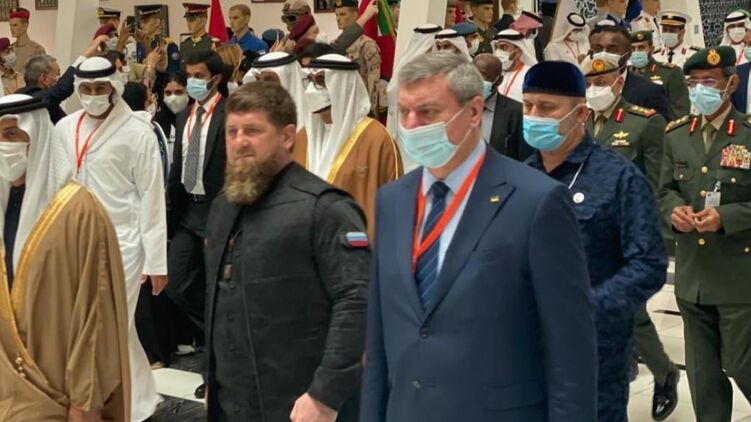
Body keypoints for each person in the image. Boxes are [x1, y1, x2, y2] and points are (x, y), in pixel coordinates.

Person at [361, 52, 597, 422]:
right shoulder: (392, 200)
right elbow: (379, 337)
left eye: (427, 112)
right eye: (404, 112)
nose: (411, 125)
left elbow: (570, 347)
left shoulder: (536, 201)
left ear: (473, 112)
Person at [203, 80, 368, 422]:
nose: (239, 141)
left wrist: (325, 394)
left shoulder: (325, 208)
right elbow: (217, 303)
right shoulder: (223, 207)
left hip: (302, 404)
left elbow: (357, 302)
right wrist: (213, 381)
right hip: (235, 397)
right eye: (232, 131)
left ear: (287, 136)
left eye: (253, 131)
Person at [524, 60, 667, 422]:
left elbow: (649, 264)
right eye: (528, 106)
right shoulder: (520, 178)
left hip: (594, 351)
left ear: (580, 114)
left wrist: (588, 307)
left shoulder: (619, 178)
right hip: (526, 347)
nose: (534, 116)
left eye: (547, 108)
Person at [0, 93, 131, 422]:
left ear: (37, 138)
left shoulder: (79, 212)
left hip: (56, 390)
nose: (3, 145)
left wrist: (85, 402)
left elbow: (95, 314)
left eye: (12, 134)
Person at [51, 56, 167, 422]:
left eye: (100, 88)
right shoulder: (64, 128)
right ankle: (140, 397)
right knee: (106, 326)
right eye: (86, 89)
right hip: (75, 242)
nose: (93, 95)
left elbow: (151, 197)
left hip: (124, 243)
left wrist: (156, 261)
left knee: (112, 323)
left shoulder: (137, 132)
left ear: (114, 88)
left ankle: (118, 402)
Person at [659, 46, 751, 422]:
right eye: (693, 82)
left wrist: (726, 216)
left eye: (709, 82)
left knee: (741, 362)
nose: (699, 89)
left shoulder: (747, 134)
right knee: (702, 372)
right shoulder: (677, 134)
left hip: (738, 273)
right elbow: (665, 190)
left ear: (732, 83)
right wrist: (673, 211)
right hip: (693, 272)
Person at [166, 51, 227, 400]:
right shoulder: (184, 116)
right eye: (189, 75)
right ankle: (218, 329)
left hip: (217, 211)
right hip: (188, 211)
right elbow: (178, 166)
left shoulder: (229, 113)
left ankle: (214, 374)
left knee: (217, 292)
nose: (192, 82)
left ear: (215, 79)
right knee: (177, 285)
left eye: (199, 76)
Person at [293, 54, 401, 236]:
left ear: (344, 87)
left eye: (321, 81)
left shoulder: (377, 139)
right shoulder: (302, 138)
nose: (312, 90)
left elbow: (396, 206)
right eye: (310, 81)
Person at [583, 54, 665, 189]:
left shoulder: (646, 122)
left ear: (619, 83)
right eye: (587, 84)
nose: (592, 90)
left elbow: (656, 183)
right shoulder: (579, 121)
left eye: (600, 83)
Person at [589, 23, 674, 121]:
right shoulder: (580, 89)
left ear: (628, 54)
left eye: (612, 50)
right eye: (598, 49)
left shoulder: (649, 92)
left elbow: (663, 128)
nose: (603, 54)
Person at [18, 36, 107, 124]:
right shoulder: (33, 99)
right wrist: (87, 54)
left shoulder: (44, 102)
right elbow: (62, 89)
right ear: (44, 78)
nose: (59, 79)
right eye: (57, 74)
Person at [473, 53, 530, 161]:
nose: (476, 80)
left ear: (499, 81)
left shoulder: (516, 112)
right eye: (473, 74)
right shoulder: (457, 106)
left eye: (483, 75)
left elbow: (523, 157)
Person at [243, 52, 308, 136]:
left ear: (288, 79)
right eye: (258, 79)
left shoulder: (310, 120)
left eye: (269, 79)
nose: (262, 85)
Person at [630, 30, 691, 118]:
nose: (636, 52)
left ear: (651, 49)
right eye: (633, 48)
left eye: (641, 47)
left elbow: (680, 110)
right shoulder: (625, 73)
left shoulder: (671, 73)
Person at [334, 0, 381, 112]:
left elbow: (373, 83)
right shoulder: (334, 44)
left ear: (355, 15)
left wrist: (369, 111)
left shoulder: (367, 45)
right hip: (340, 105)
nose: (338, 18)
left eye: (343, 14)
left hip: (359, 106)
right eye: (336, 15)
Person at [493, 29, 536, 103]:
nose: (498, 52)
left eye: (504, 47)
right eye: (496, 48)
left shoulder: (531, 77)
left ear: (517, 52)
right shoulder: (493, 74)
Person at [7, 8, 44, 74]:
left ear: (25, 25)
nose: (11, 29)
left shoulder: (37, 50)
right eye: (10, 25)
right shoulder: (9, 49)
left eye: (15, 25)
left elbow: (40, 76)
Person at [180, 3, 214, 68]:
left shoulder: (212, 44)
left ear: (203, 20)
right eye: (187, 20)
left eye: (192, 20)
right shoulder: (184, 45)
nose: (188, 24)